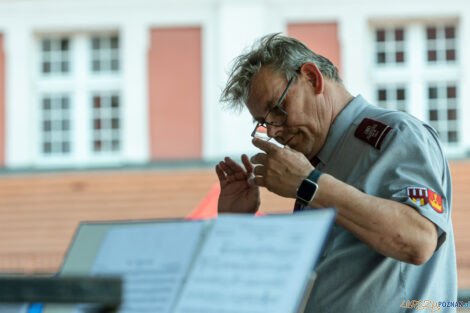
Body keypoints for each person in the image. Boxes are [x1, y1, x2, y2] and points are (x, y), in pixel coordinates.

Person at [215, 33, 457, 312]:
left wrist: (310, 184)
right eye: (263, 122)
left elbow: (419, 240)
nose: (272, 131)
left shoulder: (395, 134)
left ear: (311, 77)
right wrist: (237, 224)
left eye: (278, 109)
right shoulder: (317, 164)